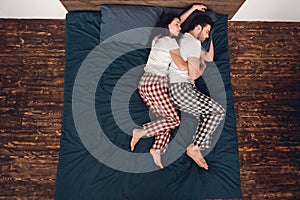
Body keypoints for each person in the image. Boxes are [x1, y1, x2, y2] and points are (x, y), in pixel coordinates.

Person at [130, 4, 208, 169]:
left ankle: (157, 148)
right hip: (154, 83)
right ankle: (141, 132)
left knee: (164, 120)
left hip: (148, 84)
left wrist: (193, 8)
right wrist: (198, 65)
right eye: (176, 25)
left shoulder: (162, 38)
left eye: (180, 25)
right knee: (173, 120)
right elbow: (181, 66)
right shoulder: (168, 41)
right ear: (167, 26)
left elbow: (179, 20)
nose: (180, 27)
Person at [168, 15, 226, 170]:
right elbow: (194, 75)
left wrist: (211, 37)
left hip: (178, 90)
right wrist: (203, 68)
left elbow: (209, 58)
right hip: (181, 88)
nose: (206, 36)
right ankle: (195, 147)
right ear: (198, 28)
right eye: (206, 31)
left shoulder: (189, 41)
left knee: (207, 115)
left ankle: (197, 148)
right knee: (218, 112)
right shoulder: (192, 43)